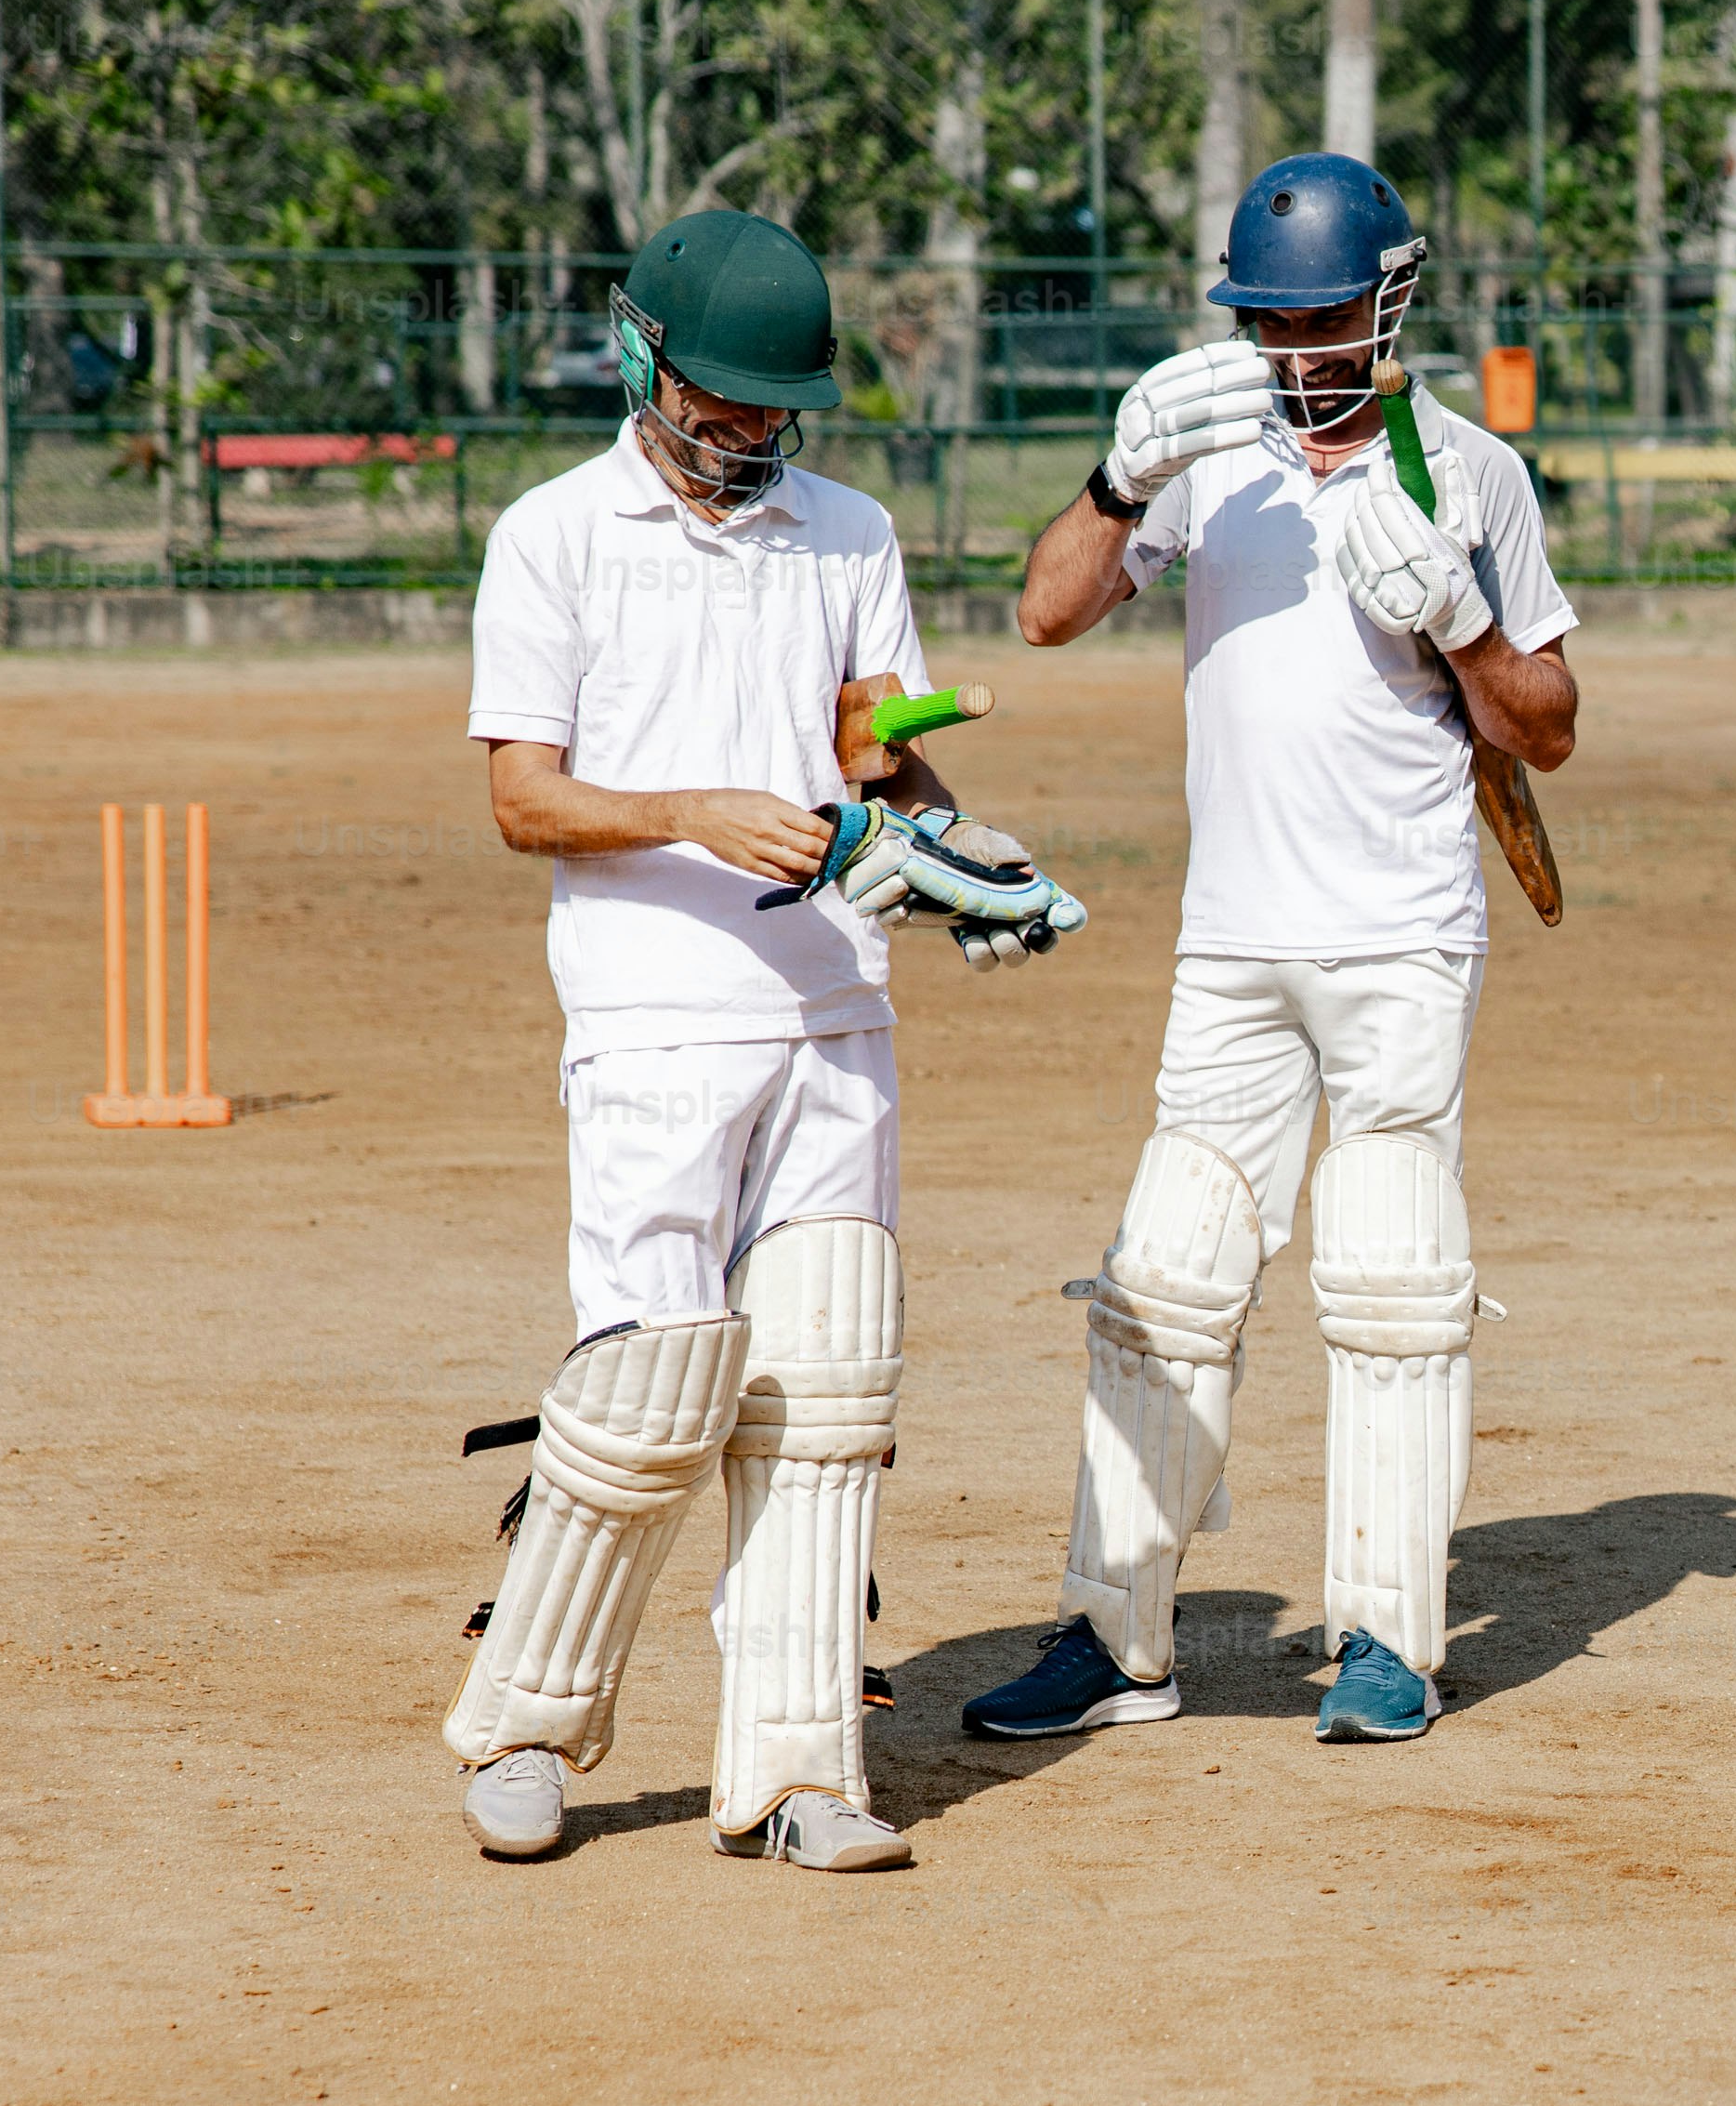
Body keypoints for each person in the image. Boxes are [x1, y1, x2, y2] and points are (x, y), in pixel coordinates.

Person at [442, 208, 1063, 1871]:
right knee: (650, 1392)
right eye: (710, 406)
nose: (736, 440)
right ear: (639, 356)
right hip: (652, 1017)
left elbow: (878, 757)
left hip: (835, 1010)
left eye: (764, 415)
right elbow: (522, 798)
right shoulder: (556, 534)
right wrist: (694, 813)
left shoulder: (849, 531)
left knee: (829, 1387)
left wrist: (953, 844)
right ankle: (523, 1730)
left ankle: (799, 1773)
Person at [967, 153, 1580, 1750]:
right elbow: (1044, 614)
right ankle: (1117, 1638)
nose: (1294, 350)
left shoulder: (1469, 475)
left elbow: (1550, 729)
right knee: (1164, 1272)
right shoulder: (1211, 458)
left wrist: (1456, 616)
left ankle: (1388, 1638)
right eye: (1268, 319)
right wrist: (1116, 479)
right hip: (1230, 943)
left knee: (1389, 1275)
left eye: (1320, 317)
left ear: (1389, 302)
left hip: (1399, 937)